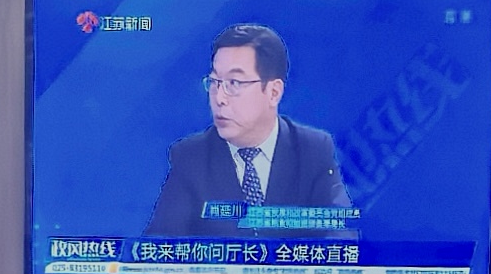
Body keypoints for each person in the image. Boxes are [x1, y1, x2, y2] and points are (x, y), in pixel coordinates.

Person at [142, 21, 347, 239]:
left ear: (273, 92)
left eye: (234, 83)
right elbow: (159, 242)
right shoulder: (191, 156)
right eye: (214, 82)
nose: (219, 98)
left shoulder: (313, 149)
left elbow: (342, 232)